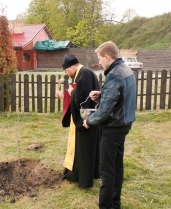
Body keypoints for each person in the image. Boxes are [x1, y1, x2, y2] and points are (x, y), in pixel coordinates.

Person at [83, 41, 136, 209]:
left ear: (107, 56)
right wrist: (102, 93)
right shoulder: (126, 70)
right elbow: (121, 96)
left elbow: (105, 110)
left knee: (106, 170)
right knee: (117, 166)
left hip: (112, 128)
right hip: (124, 125)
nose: (99, 62)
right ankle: (115, 202)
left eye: (100, 58)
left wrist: (89, 121)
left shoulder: (114, 75)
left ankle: (106, 205)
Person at [56, 53, 101, 189]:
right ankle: (82, 173)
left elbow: (82, 99)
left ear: (71, 67)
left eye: (65, 70)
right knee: (84, 149)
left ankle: (84, 180)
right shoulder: (82, 73)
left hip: (87, 120)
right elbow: (80, 96)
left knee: (85, 149)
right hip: (88, 118)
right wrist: (65, 95)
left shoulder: (84, 74)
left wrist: (70, 92)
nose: (66, 73)